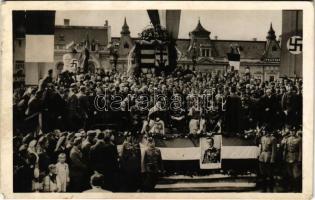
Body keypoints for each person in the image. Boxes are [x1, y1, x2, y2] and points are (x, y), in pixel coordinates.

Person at [258, 128, 277, 192]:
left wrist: (272, 159)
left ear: (270, 132)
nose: (266, 133)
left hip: (269, 156)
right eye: (265, 131)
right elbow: (260, 147)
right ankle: (264, 188)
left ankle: (271, 188)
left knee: (270, 174)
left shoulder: (273, 139)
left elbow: (274, 150)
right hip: (262, 156)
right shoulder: (262, 138)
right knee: (263, 174)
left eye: (267, 131)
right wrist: (259, 155)